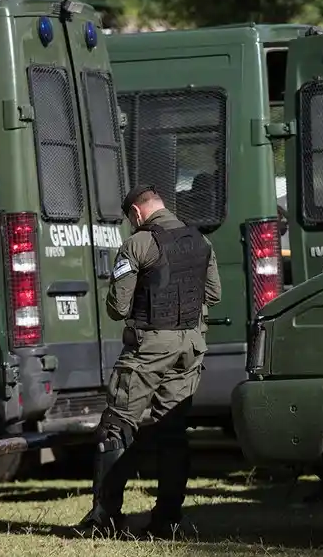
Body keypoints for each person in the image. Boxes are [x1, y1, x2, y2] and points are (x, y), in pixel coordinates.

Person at [77, 184, 221, 539]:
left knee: (116, 423)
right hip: (191, 344)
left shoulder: (138, 244)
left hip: (150, 346)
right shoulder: (202, 241)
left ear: (137, 214)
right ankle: (168, 520)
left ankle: (105, 518)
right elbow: (214, 295)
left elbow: (118, 308)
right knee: (172, 430)